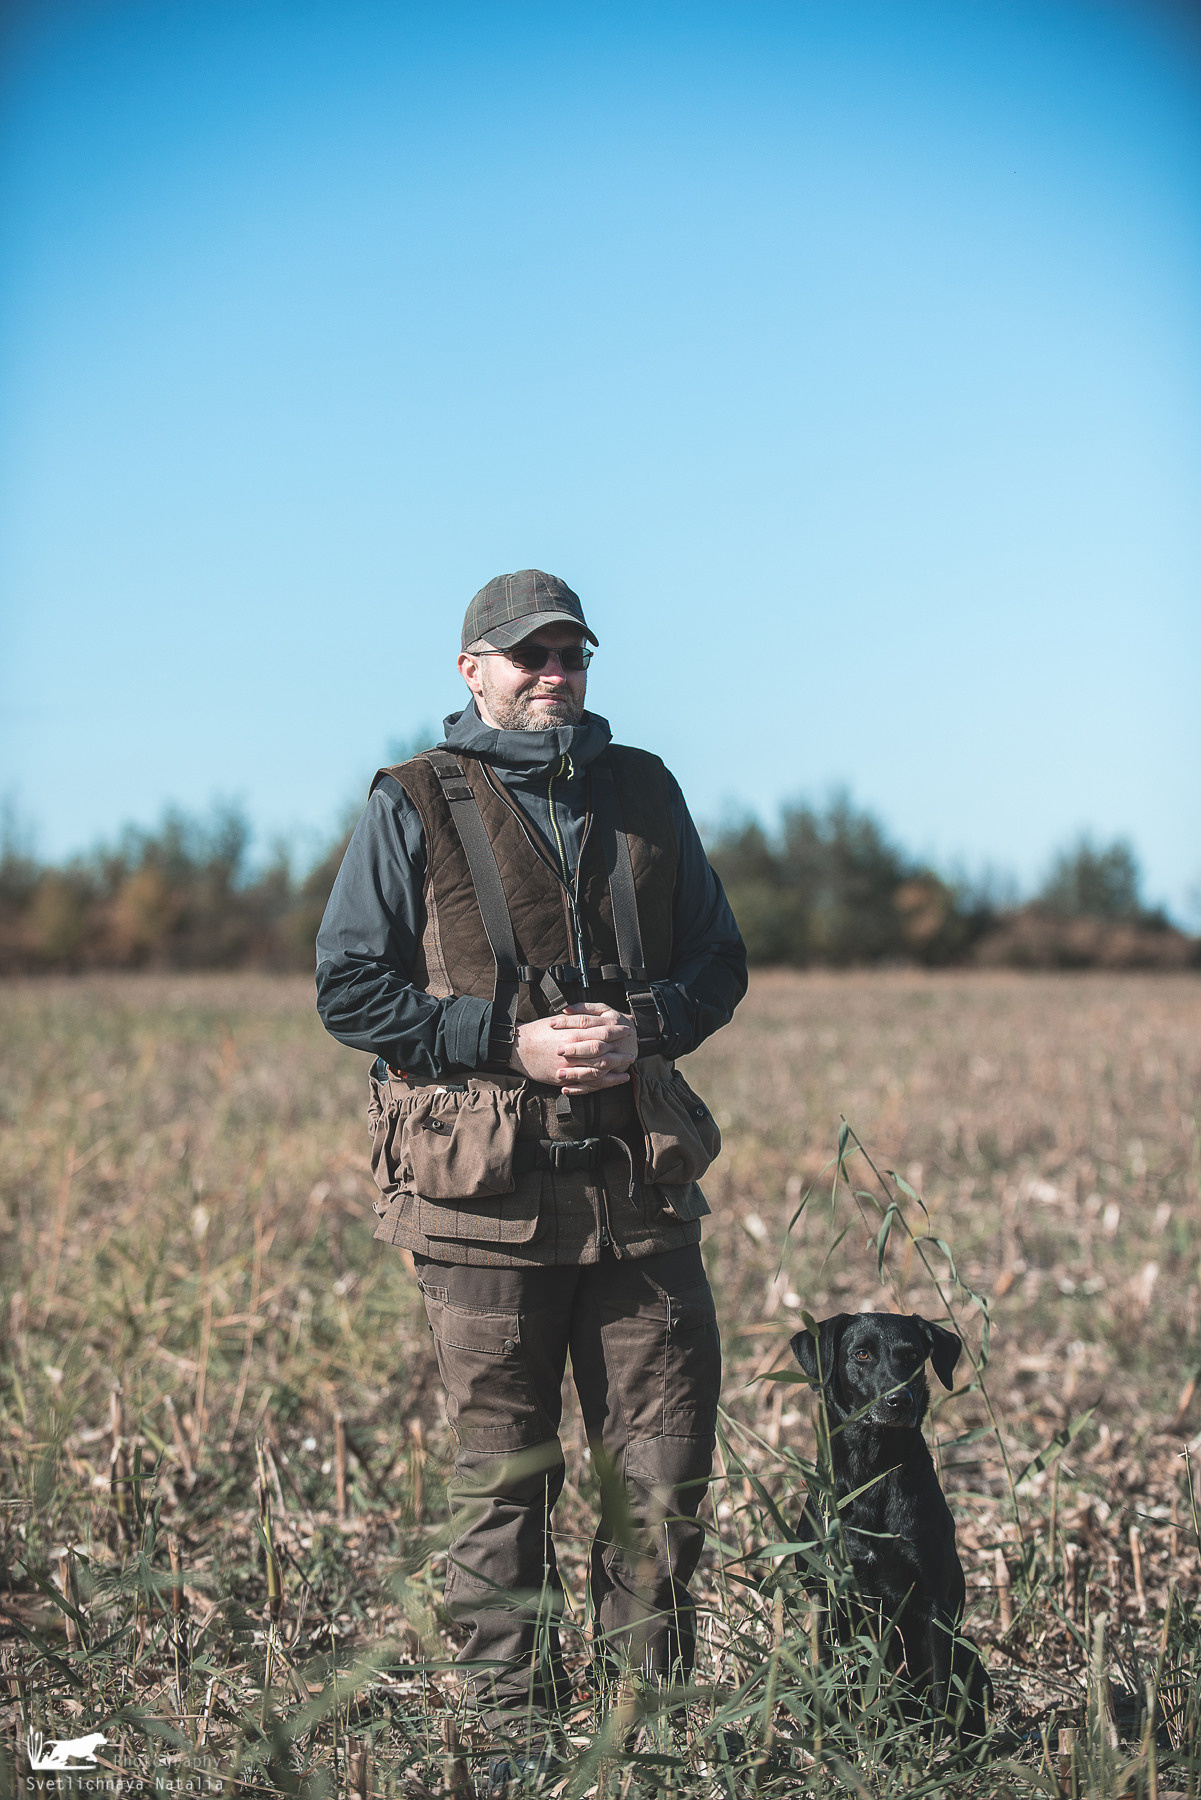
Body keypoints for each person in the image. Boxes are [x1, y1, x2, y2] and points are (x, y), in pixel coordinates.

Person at [315, 569, 747, 1769]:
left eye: (573, 655)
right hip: (482, 1204)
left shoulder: (645, 791)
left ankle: (642, 1734)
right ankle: (509, 1739)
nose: (555, 674)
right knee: (503, 1479)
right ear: (473, 672)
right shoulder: (409, 801)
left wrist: (643, 1024)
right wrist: (502, 1040)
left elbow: (719, 961)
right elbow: (348, 988)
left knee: (660, 1477)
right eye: (529, 656)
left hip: (638, 1194)